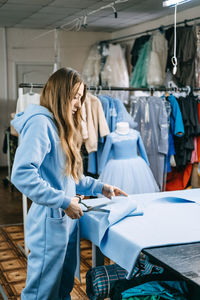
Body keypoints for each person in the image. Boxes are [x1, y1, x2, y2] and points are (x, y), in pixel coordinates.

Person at [11, 67, 127, 300]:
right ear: (59, 94)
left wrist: (100, 187)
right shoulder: (40, 125)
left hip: (64, 221)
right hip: (49, 223)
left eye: (81, 98)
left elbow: (68, 177)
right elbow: (21, 174)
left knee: (62, 287)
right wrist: (63, 201)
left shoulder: (59, 126)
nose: (78, 104)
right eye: (74, 97)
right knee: (41, 293)